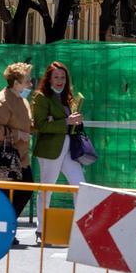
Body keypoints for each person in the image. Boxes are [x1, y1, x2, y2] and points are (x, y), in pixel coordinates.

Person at [31, 61, 85, 245]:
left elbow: (60, 122)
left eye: (63, 77)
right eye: (56, 77)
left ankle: (80, 231)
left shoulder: (68, 97)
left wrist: (76, 121)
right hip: (50, 150)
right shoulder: (40, 97)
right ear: (49, 79)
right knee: (47, 189)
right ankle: (41, 230)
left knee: (80, 186)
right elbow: (40, 125)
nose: (60, 80)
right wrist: (66, 122)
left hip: (69, 149)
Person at [0, 62, 35, 242]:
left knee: (24, 189)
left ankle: (5, 228)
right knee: (8, 194)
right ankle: (2, 231)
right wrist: (18, 134)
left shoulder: (22, 99)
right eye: (27, 80)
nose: (30, 84)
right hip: (3, 157)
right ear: (16, 82)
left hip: (20, 156)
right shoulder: (3, 101)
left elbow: (26, 123)